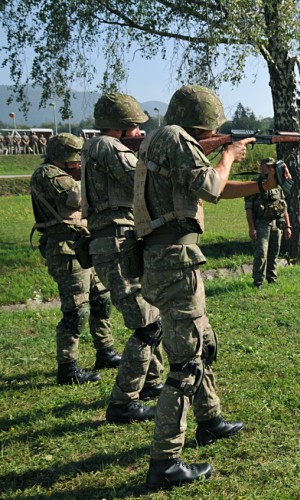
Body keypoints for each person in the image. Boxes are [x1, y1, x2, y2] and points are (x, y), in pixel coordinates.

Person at [133, 84, 277, 489]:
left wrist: (260, 186)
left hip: (170, 261)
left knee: (202, 343)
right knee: (186, 363)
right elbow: (213, 186)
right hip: (174, 263)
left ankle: (209, 419)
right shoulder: (176, 139)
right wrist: (229, 155)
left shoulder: (159, 141)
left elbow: (209, 187)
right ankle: (165, 462)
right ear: (202, 124)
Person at [81, 92, 165, 424]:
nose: (137, 132)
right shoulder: (109, 147)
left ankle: (151, 382)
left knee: (149, 313)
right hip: (116, 242)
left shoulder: (93, 148)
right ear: (123, 126)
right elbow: (144, 181)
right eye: (134, 127)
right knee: (147, 326)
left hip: (114, 241)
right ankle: (124, 400)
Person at [30, 133, 121, 385]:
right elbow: (76, 198)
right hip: (65, 249)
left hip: (82, 244)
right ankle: (68, 368)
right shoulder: (46, 174)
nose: (80, 165)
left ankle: (106, 351)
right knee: (76, 310)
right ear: (65, 158)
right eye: (77, 160)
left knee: (101, 300)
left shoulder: (66, 172)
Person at [244, 157, 292, 289]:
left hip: (276, 222)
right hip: (261, 223)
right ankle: (258, 281)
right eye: (268, 167)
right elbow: (248, 208)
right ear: (261, 168)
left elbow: (284, 206)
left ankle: (272, 278)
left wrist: (288, 226)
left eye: (272, 167)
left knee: (274, 252)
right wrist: (251, 228)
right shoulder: (254, 185)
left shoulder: (278, 185)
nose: (271, 169)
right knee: (261, 253)